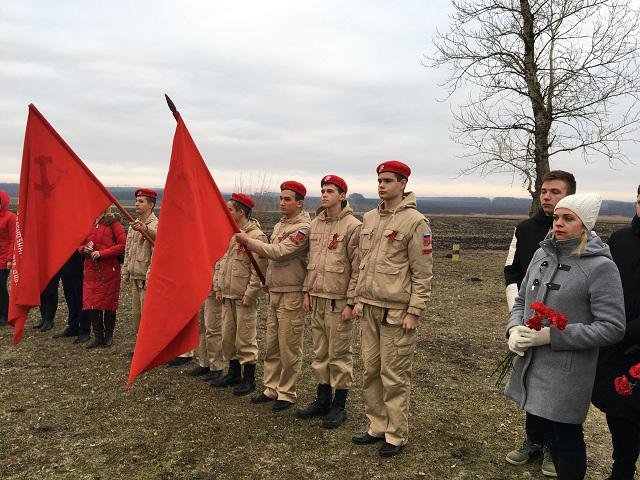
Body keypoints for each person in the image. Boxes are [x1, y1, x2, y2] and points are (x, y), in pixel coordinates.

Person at [505, 193, 626, 479]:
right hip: (531, 363)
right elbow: (522, 300)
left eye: (568, 218)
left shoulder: (600, 267)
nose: (558, 223)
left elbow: (612, 327)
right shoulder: (541, 254)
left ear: (585, 224)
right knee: (545, 431)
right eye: (557, 217)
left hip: (567, 371)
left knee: (565, 438)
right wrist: (513, 329)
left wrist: (551, 336)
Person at [351, 161, 433, 457]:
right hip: (369, 308)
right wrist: (358, 299)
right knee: (371, 371)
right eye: (379, 180)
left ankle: (396, 434)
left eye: (388, 180)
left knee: (394, 375)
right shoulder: (370, 218)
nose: (381, 185)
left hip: (396, 312)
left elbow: (422, 272)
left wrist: (415, 311)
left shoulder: (415, 222)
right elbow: (362, 264)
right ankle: (377, 425)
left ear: (402, 183)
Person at [504, 170, 576, 477]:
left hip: (562, 327)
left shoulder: (580, 233)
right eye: (544, 191)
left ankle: (553, 446)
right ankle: (533, 439)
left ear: (570, 196)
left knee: (557, 386)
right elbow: (512, 269)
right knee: (530, 380)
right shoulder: (525, 228)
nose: (547, 196)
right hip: (527, 320)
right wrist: (516, 319)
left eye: (554, 191)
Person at [235, 180, 310, 412]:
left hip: (292, 293)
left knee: (289, 345)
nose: (282, 203)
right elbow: (268, 261)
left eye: (287, 199)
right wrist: (266, 280)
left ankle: (286, 392)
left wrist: (249, 241)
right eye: (281, 198)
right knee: (272, 344)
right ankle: (271, 387)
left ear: (299, 203)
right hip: (275, 291)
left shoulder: (303, 228)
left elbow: (278, 253)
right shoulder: (279, 226)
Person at [297, 175, 361, 428]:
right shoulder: (316, 225)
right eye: (322, 190)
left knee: (340, 355)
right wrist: (306, 292)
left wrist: (351, 302)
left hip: (338, 301)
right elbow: (310, 263)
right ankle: (322, 399)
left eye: (330, 191)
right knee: (320, 353)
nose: (324, 194)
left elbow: (357, 268)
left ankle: (339, 405)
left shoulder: (352, 226)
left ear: (342, 195)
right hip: (317, 298)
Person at [592, 185, 640, 480]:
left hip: (628, 337)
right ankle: (622, 469)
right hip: (616, 346)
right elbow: (603, 286)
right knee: (620, 412)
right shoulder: (620, 240)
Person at [212, 193, 268, 396]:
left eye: (230, 210)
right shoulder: (231, 234)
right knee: (228, 337)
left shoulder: (255, 237)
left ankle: (248, 378)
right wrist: (218, 287)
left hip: (243, 297)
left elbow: (258, 269)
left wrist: (250, 294)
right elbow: (222, 262)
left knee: (245, 338)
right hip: (228, 294)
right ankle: (233, 373)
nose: (227, 213)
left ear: (241, 212)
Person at [79, 206, 126, 348]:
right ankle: (98, 336)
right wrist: (83, 249)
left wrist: (102, 253)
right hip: (91, 269)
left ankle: (109, 335)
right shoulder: (89, 222)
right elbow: (79, 243)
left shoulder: (114, 223)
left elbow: (123, 244)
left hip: (108, 269)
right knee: (92, 302)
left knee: (109, 302)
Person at [122, 188, 159, 337]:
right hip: (135, 277)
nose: (136, 204)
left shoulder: (156, 225)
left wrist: (145, 229)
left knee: (148, 317)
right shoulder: (133, 225)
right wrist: (125, 270)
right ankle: (140, 348)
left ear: (150, 205)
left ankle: (151, 350)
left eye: (141, 201)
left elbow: (157, 245)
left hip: (146, 279)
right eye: (136, 201)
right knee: (137, 316)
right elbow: (128, 249)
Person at [187, 265, 225, 382]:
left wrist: (218, 287)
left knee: (212, 329)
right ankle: (204, 362)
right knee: (201, 327)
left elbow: (221, 264)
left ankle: (216, 366)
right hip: (201, 287)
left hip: (213, 290)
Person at [53, 252, 91, 343]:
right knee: (70, 299)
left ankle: (84, 330)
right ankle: (73, 326)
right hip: (65, 265)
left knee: (81, 299)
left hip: (79, 265)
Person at [0, 190, 15, 327]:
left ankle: (5, 314)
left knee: (1, 286)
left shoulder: (10, 218)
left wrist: (10, 259)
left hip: (4, 258)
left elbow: (13, 240)